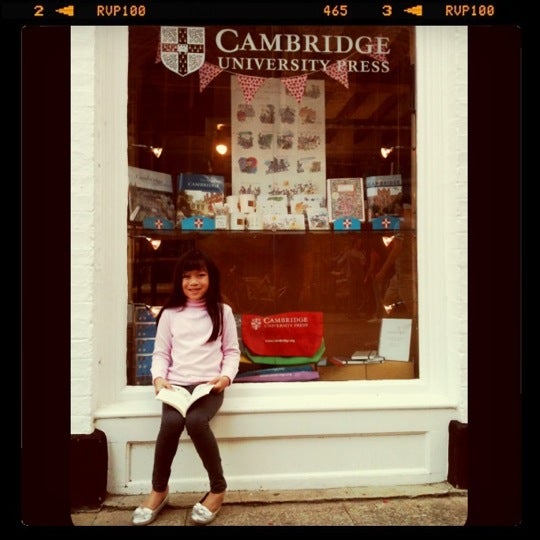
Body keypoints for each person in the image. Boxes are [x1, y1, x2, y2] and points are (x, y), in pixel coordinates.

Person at [132, 249, 240, 526]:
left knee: (196, 421)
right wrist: (158, 378)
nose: (193, 282)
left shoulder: (222, 311)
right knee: (170, 423)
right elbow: (161, 354)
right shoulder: (170, 313)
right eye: (187, 276)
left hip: (208, 388)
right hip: (176, 386)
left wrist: (225, 378)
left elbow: (231, 352)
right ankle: (159, 490)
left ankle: (218, 489)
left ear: (211, 278)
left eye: (200, 275)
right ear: (179, 281)